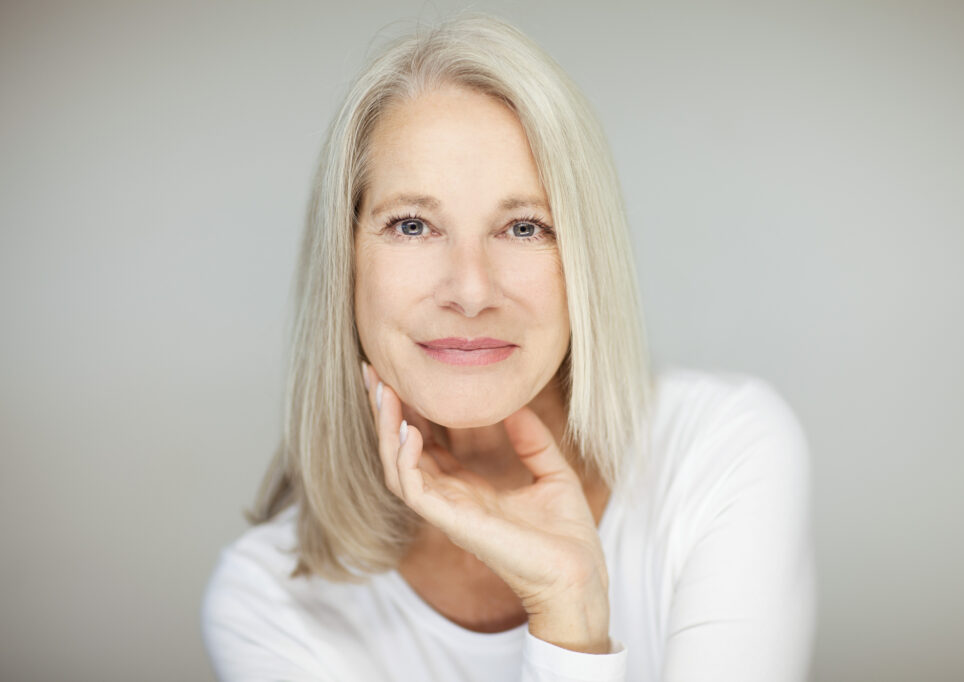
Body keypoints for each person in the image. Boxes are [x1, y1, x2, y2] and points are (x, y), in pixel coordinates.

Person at [200, 11, 815, 682]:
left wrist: (569, 610)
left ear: (585, 257)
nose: (470, 290)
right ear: (345, 262)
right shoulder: (270, 602)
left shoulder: (720, 451)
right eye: (412, 224)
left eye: (524, 227)